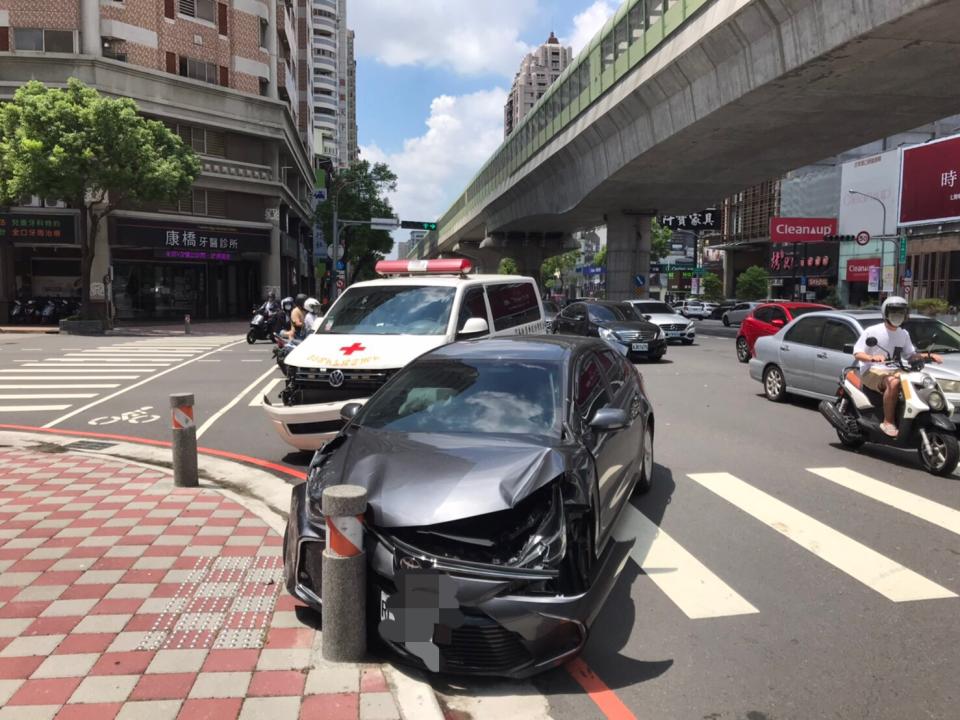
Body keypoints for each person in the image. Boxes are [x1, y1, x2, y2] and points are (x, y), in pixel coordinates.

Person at [852, 296, 943, 437]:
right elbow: (857, 353)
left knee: (920, 380)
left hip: (894, 369)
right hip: (871, 370)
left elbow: (910, 355)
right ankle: (888, 421)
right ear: (885, 313)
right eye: (894, 312)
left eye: (901, 312)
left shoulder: (903, 334)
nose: (897, 316)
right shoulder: (873, 331)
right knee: (893, 383)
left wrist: (928, 356)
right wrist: (871, 358)